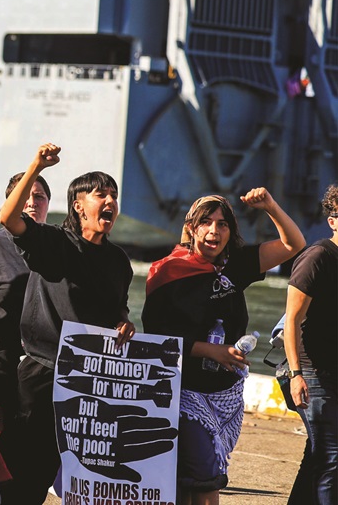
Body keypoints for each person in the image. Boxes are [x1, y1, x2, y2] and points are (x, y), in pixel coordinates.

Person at [0, 143, 135, 505]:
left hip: (91, 381)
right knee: (26, 473)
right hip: (42, 375)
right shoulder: (54, 242)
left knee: (80, 473)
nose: (110, 202)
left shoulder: (120, 261)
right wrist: (36, 166)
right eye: (100, 194)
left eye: (114, 196)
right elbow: (8, 219)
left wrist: (125, 324)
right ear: (78, 205)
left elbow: (118, 310)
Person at [142, 189, 303, 503]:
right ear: (191, 228)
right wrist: (208, 349)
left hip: (226, 393)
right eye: (206, 222)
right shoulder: (166, 272)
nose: (214, 231)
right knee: (206, 477)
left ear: (231, 231)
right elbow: (155, 339)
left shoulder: (236, 264)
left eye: (223, 224)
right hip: (184, 391)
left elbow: (293, 244)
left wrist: (269, 206)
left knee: (189, 482)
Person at [0, 172, 50, 415]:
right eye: (24, 196)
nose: (32, 202)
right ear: (9, 203)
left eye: (39, 196)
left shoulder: (59, 247)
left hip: (43, 376)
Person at [284, 184, 338, 504]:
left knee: (318, 455)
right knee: (332, 456)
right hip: (313, 371)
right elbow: (292, 319)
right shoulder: (317, 256)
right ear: (333, 220)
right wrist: (296, 374)